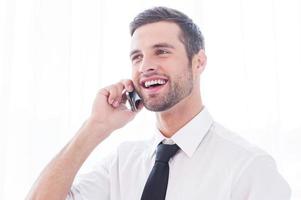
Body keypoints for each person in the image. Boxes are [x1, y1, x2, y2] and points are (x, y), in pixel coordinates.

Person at [27, 7, 291, 200]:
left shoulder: (249, 167)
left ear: (198, 62)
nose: (146, 66)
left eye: (162, 51)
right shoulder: (122, 163)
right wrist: (95, 127)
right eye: (136, 56)